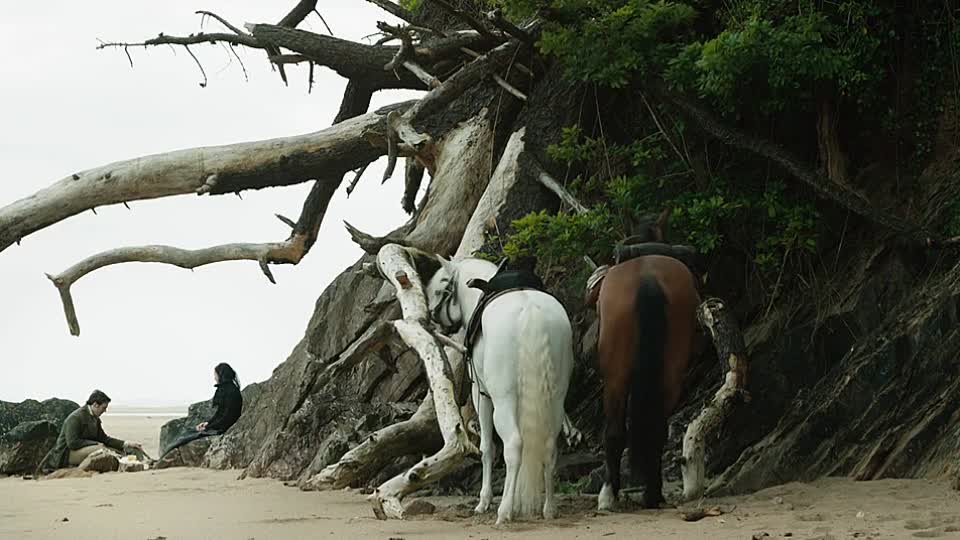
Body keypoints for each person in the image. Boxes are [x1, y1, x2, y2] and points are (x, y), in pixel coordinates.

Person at [36, 390, 142, 474]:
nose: (105, 411)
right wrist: (95, 444)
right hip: (65, 455)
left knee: (119, 449)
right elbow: (72, 443)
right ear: (95, 404)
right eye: (103, 407)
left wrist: (126, 443)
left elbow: (104, 438)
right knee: (101, 450)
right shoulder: (76, 418)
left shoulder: (95, 418)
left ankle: (130, 463)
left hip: (85, 449)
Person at [160, 363, 243, 457]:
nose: (214, 378)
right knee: (186, 433)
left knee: (185, 437)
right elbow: (220, 413)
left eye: (215, 375)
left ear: (221, 374)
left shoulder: (231, 391)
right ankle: (164, 455)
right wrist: (207, 423)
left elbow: (227, 417)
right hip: (219, 426)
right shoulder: (226, 389)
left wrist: (209, 427)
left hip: (223, 428)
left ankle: (165, 456)